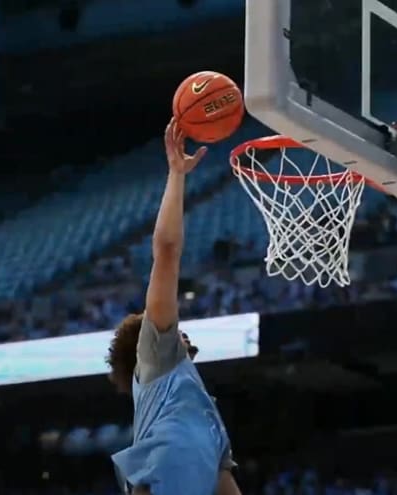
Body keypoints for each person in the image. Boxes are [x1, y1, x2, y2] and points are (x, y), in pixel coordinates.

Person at [106, 119, 242, 495]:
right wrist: (176, 175)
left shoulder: (205, 415)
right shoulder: (157, 359)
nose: (174, 326)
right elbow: (165, 252)